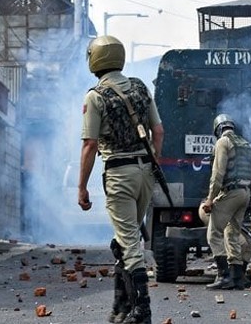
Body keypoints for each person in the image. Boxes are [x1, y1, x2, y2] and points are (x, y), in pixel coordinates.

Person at [78, 35, 163, 324]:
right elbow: (158, 130)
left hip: (119, 173)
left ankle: (142, 310)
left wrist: (81, 187)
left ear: (95, 60)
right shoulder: (139, 87)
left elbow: (89, 145)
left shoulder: (96, 96)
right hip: (146, 172)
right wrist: (153, 161)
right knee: (125, 240)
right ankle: (121, 305)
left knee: (128, 243)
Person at [201, 114, 251, 290]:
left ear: (218, 129)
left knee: (214, 233)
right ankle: (237, 278)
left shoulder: (222, 143)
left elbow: (217, 175)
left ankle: (224, 276)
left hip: (231, 192)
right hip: (245, 193)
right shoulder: (245, 144)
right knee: (232, 234)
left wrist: (210, 199)